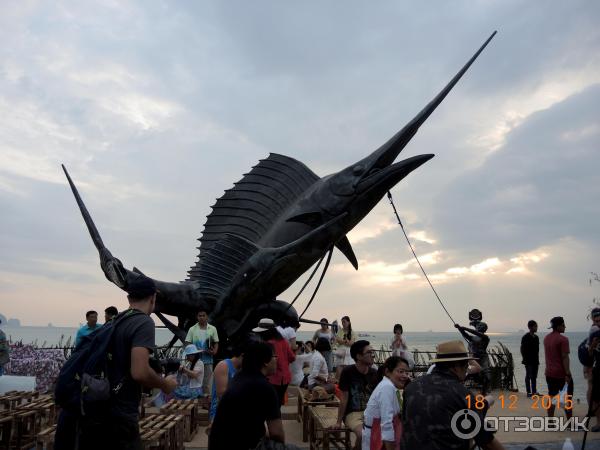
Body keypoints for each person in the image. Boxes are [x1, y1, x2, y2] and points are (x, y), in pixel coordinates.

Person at [55, 274, 178, 450]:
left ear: (129, 298)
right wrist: (165, 384)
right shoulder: (144, 322)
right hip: (120, 414)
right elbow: (140, 372)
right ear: (153, 298)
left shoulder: (114, 321)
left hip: (98, 410)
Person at [401, 340, 504, 450]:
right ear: (455, 367)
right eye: (466, 365)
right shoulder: (462, 394)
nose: (466, 369)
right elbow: (486, 441)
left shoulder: (411, 387)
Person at [208, 341, 285, 450]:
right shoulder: (265, 388)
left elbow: (246, 423)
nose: (277, 359)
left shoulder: (238, 378)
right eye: (275, 356)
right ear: (266, 362)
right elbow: (277, 434)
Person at [333, 340, 378, 450]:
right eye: (369, 352)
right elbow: (344, 398)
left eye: (373, 352)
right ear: (358, 356)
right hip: (353, 414)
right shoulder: (348, 372)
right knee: (363, 435)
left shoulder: (374, 373)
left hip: (370, 413)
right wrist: (338, 422)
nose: (373, 355)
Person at [362, 356, 410, 450]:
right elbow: (386, 423)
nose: (405, 375)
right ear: (388, 372)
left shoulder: (388, 386)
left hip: (376, 433)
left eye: (407, 372)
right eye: (400, 371)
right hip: (377, 437)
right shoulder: (387, 388)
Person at [254, 318, 296, 406]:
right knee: (277, 405)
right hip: (285, 378)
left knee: (269, 406)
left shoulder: (266, 344)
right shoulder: (283, 341)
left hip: (272, 379)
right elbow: (292, 357)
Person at [207, 343, 244, 435]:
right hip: (220, 412)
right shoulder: (224, 366)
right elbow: (222, 395)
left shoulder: (244, 369)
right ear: (243, 355)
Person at [185, 308, 219, 396]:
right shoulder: (192, 329)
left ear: (207, 316)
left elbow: (216, 342)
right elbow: (188, 343)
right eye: (200, 316)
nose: (202, 317)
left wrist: (214, 351)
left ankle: (206, 404)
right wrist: (191, 352)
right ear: (197, 317)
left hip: (208, 359)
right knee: (194, 381)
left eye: (203, 315)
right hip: (195, 360)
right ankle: (196, 401)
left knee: (206, 383)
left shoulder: (212, 329)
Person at [544, 316, 573, 419]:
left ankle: (550, 421)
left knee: (551, 396)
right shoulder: (563, 339)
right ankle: (570, 423)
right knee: (567, 397)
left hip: (549, 372)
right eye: (563, 325)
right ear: (559, 326)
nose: (565, 327)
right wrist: (567, 373)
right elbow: (565, 357)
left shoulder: (546, 338)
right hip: (561, 373)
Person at [455, 321, 490, 394]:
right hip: (474, 357)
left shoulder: (486, 337)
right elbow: (465, 335)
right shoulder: (473, 338)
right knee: (469, 372)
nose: (480, 327)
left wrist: (464, 328)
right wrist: (460, 329)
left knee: (486, 373)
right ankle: (460, 387)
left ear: (485, 329)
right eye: (479, 326)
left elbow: (475, 333)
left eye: (482, 326)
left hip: (483, 357)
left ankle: (484, 391)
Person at [520, 319, 539, 397]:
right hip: (528, 360)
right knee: (528, 376)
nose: (536, 328)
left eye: (536, 326)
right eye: (535, 326)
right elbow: (522, 349)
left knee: (534, 376)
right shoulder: (525, 337)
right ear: (530, 327)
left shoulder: (536, 337)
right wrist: (524, 359)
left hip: (535, 360)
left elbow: (537, 349)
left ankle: (534, 391)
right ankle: (529, 392)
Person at [334, 315, 357, 380]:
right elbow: (338, 340)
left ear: (349, 322)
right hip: (340, 353)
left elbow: (351, 343)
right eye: (342, 322)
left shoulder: (352, 332)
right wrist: (345, 341)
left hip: (349, 354)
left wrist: (343, 341)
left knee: (348, 371)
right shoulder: (340, 331)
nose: (343, 324)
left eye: (344, 322)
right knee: (339, 372)